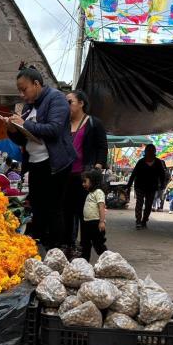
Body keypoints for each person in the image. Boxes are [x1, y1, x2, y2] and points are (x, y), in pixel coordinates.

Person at [4, 66, 75, 250]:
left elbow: (54, 129)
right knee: (37, 207)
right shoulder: (29, 106)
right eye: (19, 90)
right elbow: (23, 137)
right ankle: (39, 248)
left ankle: (56, 250)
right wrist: (12, 129)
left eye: (24, 89)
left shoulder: (56, 99)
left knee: (54, 209)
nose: (21, 94)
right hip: (35, 164)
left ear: (36, 84)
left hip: (54, 165)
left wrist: (24, 123)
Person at [64, 90, 108, 250]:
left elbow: (102, 147)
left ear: (81, 103)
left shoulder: (93, 123)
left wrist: (97, 168)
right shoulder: (63, 124)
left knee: (86, 213)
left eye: (70, 102)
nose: (66, 105)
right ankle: (69, 245)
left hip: (85, 177)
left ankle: (85, 247)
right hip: (66, 175)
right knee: (67, 213)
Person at [126, 144, 167, 230]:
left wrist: (163, 185)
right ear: (146, 152)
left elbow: (162, 175)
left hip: (152, 187)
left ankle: (144, 220)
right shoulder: (141, 162)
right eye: (148, 151)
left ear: (154, 153)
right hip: (140, 186)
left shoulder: (158, 162)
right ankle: (138, 221)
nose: (150, 153)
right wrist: (129, 185)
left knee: (148, 205)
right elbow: (134, 174)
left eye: (151, 152)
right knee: (139, 203)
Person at [80, 169, 107, 261]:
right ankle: (84, 262)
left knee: (98, 244)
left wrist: (102, 222)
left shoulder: (98, 192)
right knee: (85, 244)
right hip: (87, 223)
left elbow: (101, 207)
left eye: (85, 181)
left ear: (93, 181)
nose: (83, 184)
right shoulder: (90, 193)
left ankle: (108, 260)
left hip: (96, 223)